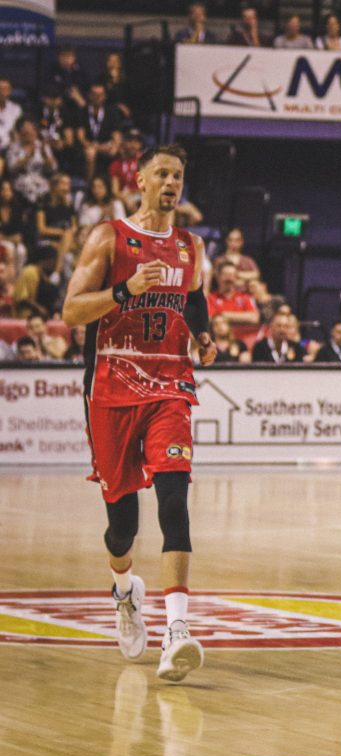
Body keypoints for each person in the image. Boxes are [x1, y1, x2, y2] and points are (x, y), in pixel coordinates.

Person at [61, 143, 216, 683]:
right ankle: (125, 589)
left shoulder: (191, 246)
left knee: (175, 501)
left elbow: (193, 299)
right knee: (121, 527)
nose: (172, 182)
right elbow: (71, 310)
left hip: (170, 385)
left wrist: (203, 334)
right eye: (162, 174)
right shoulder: (110, 237)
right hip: (111, 385)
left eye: (179, 174)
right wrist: (125, 290)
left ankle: (178, 630)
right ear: (141, 180)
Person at [0, 78, 22, 149]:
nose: (2, 92)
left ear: (10, 91)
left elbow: (18, 130)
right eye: (0, 89)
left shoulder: (16, 109)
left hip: (10, 148)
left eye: (5, 89)